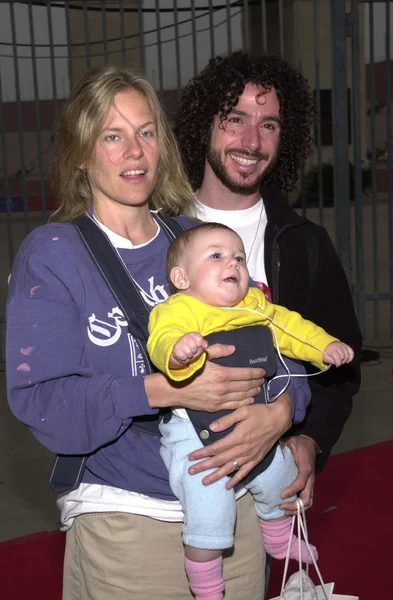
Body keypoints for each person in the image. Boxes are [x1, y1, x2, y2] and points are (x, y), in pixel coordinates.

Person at [5, 65, 307, 600]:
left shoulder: (198, 241)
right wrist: (167, 389)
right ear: (81, 153)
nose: (135, 151)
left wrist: (280, 413)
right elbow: (42, 402)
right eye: (112, 136)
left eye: (146, 133)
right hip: (128, 521)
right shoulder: (54, 255)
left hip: (234, 511)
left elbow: (278, 342)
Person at [174, 51, 362, 531]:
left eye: (270, 125)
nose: (251, 141)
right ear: (205, 125)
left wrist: (309, 438)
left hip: (262, 493)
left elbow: (341, 365)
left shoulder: (305, 244)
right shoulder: (158, 233)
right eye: (235, 119)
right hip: (162, 488)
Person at [147, 222, 353, 600]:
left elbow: (291, 328)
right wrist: (179, 350)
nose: (234, 263)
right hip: (194, 433)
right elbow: (160, 341)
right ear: (181, 277)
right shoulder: (178, 311)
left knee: (280, 473)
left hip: (254, 414)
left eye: (239, 257)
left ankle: (278, 539)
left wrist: (324, 346)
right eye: (217, 256)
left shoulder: (255, 306)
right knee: (209, 508)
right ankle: (207, 586)